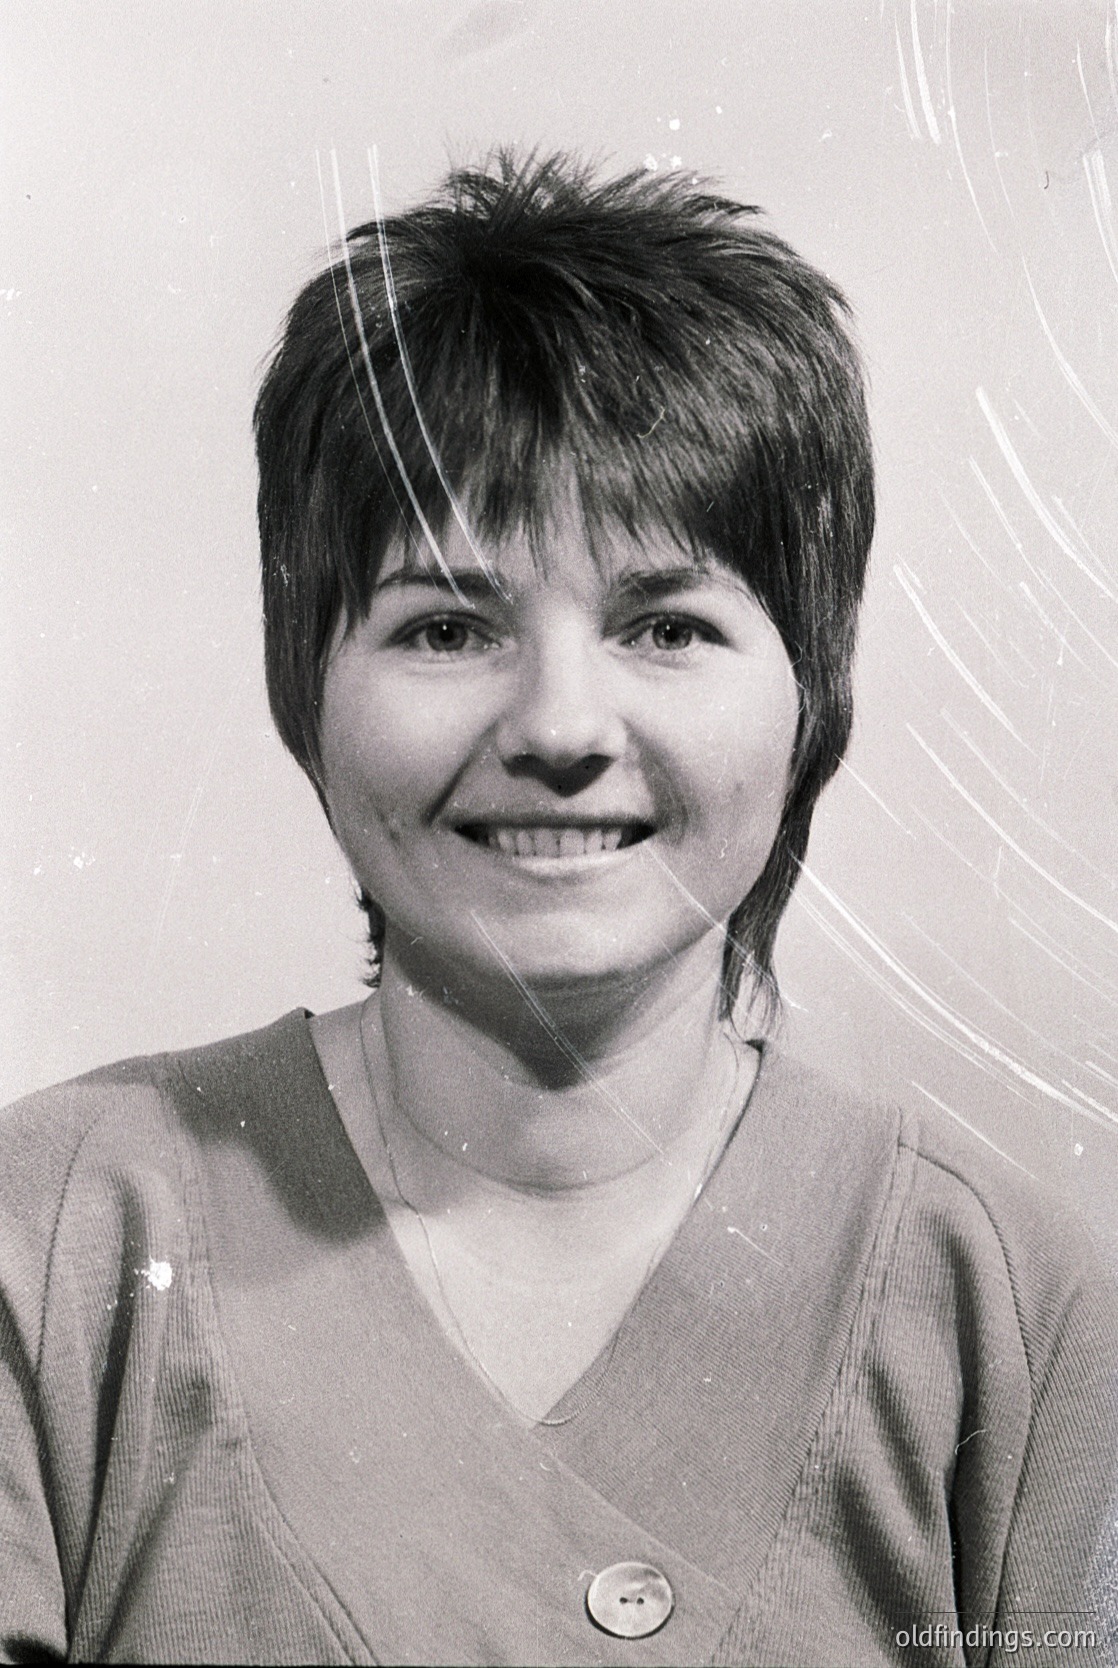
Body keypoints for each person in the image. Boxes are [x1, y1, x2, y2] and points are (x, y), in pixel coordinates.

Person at [1, 150, 1114, 1667]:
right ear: (302, 686)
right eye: (446, 625)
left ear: (811, 695)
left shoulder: (1019, 1310)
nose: (559, 724)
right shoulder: (54, 1240)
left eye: (667, 623)